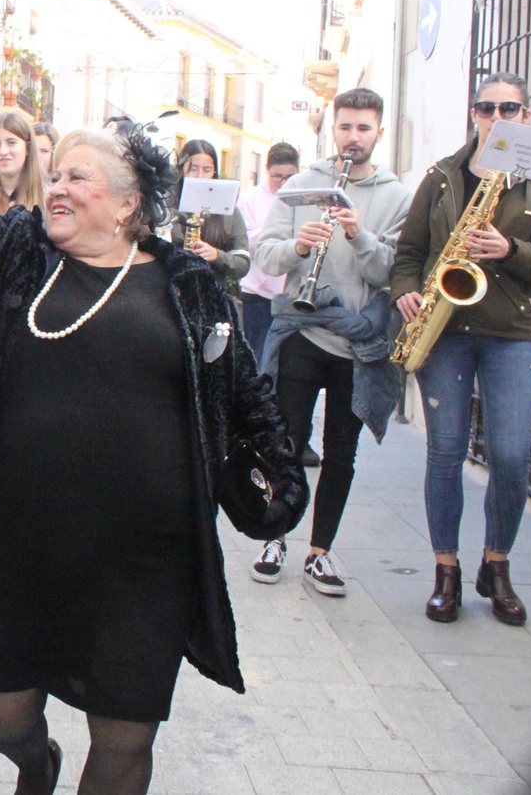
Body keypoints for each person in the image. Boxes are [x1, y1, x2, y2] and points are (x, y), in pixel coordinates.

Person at [0, 53, 307, 795]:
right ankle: (37, 763)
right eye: (54, 175)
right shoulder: (19, 256)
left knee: (124, 740)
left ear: (127, 205)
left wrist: (277, 479)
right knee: (2, 711)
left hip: (146, 555)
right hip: (23, 542)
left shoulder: (186, 287)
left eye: (76, 177)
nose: (56, 187)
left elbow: (245, 397)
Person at [392, 73, 531, 625]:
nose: (497, 116)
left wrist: (509, 249)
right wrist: (406, 292)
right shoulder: (443, 175)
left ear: (526, 116)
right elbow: (410, 252)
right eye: (487, 108)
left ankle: (497, 563)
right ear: (474, 115)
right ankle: (446, 571)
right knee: (445, 453)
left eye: (509, 107)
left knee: (511, 456)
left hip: (514, 330)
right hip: (446, 329)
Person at [251, 87, 412, 595]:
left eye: (364, 128)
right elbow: (265, 255)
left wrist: (360, 235)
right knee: (288, 444)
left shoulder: (397, 197)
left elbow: (394, 271)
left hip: (359, 343)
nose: (353, 137)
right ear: (332, 129)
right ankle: (275, 536)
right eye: (345, 127)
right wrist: (299, 245)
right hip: (303, 330)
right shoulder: (301, 184)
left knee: (342, 453)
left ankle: (320, 552)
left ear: (378, 133)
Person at [239, 143, 301, 371]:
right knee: (259, 360)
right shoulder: (250, 198)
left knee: (289, 364)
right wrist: (280, 238)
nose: (284, 183)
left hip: (292, 295)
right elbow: (246, 242)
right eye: (277, 176)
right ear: (267, 171)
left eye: (290, 177)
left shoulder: (303, 198)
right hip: (258, 294)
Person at [168, 139, 250, 292]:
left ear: (214, 172)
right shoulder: (166, 203)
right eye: (193, 169)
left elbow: (243, 264)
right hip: (169, 295)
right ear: (181, 169)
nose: (200, 176)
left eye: (207, 170)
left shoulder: (229, 209)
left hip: (212, 298)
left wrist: (217, 255)